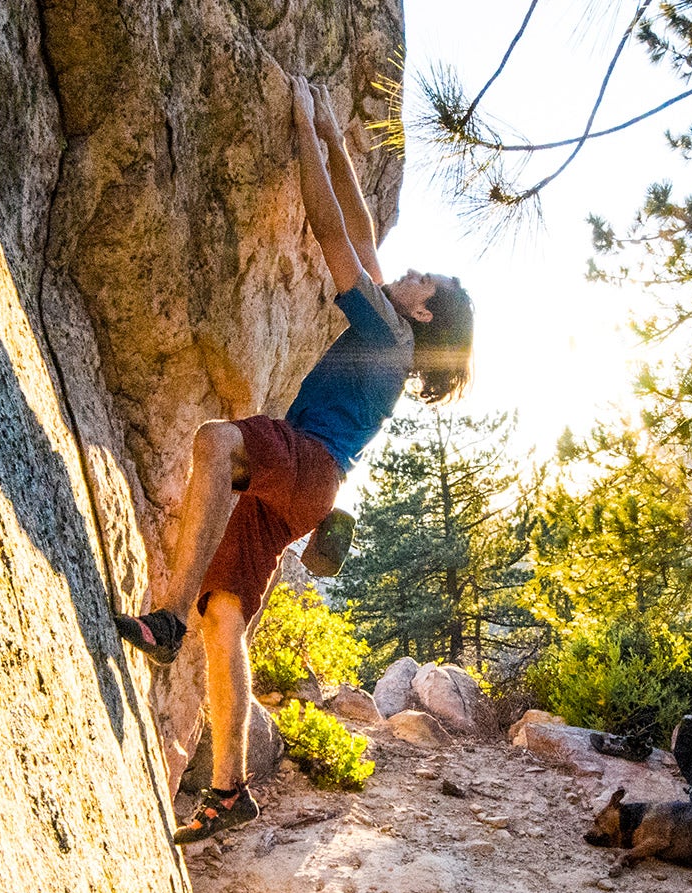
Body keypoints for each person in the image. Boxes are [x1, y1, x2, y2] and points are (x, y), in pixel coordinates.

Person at [114, 74, 475, 845]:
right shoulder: (393, 334)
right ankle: (228, 790)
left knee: (218, 441)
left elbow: (333, 232)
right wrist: (336, 139)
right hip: (309, 491)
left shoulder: (385, 330)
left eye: (424, 280)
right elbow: (364, 226)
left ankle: (167, 616)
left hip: (308, 463)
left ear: (420, 310)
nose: (411, 272)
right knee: (229, 616)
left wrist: (305, 132)